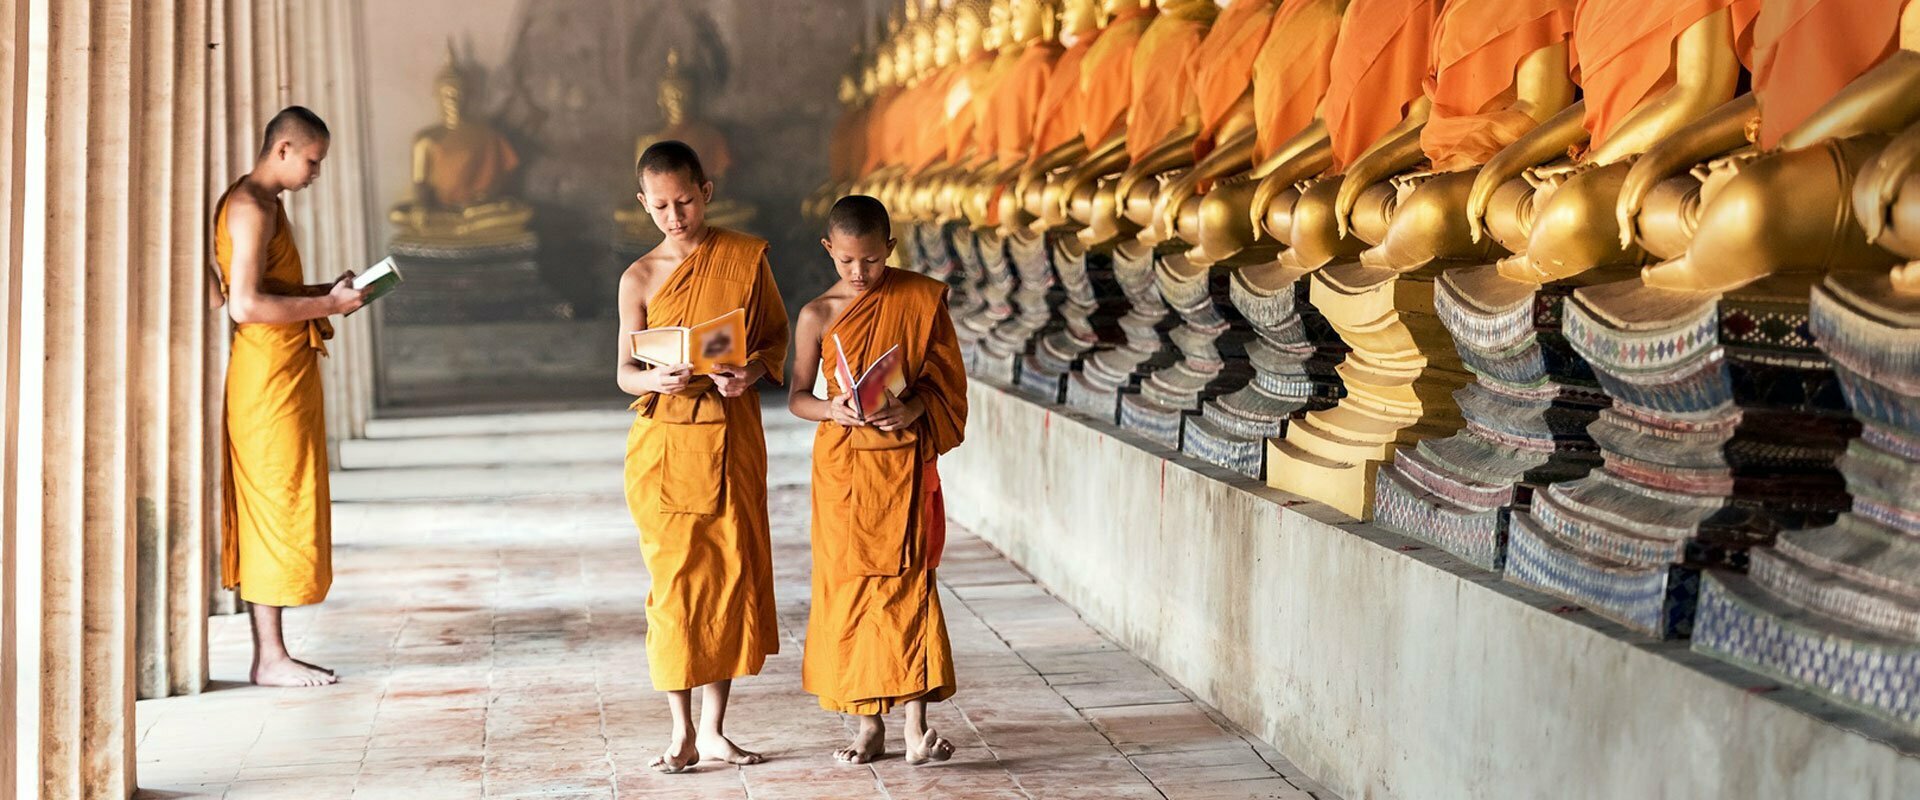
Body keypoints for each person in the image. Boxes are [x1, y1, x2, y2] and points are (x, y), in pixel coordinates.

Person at [616, 140, 789, 773]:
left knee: (725, 578)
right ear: (643, 204)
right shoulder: (638, 277)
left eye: (684, 200)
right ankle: (679, 731)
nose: (674, 216)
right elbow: (625, 373)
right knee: (675, 587)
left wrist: (751, 372)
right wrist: (654, 380)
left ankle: (715, 731)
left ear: (706, 190)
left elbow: (773, 339)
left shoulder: (745, 258)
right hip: (666, 447)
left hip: (731, 432)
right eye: (659, 205)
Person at [788, 195, 968, 765]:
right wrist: (832, 410)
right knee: (848, 592)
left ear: (890, 247)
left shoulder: (919, 299)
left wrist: (913, 409)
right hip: (842, 468)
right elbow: (796, 398)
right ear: (829, 251)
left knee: (907, 584)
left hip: (900, 462)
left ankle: (915, 729)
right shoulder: (817, 314)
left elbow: (947, 387)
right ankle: (868, 725)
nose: (860, 273)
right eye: (846, 262)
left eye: (870, 260)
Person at [210, 105, 369, 688]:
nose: (315, 173)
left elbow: (268, 289)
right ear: (283, 150)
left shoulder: (267, 203)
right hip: (264, 376)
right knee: (273, 503)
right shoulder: (250, 206)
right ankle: (270, 656)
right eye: (312, 161)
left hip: (283, 370)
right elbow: (245, 305)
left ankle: (273, 652)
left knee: (286, 498)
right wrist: (327, 306)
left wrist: (325, 291)